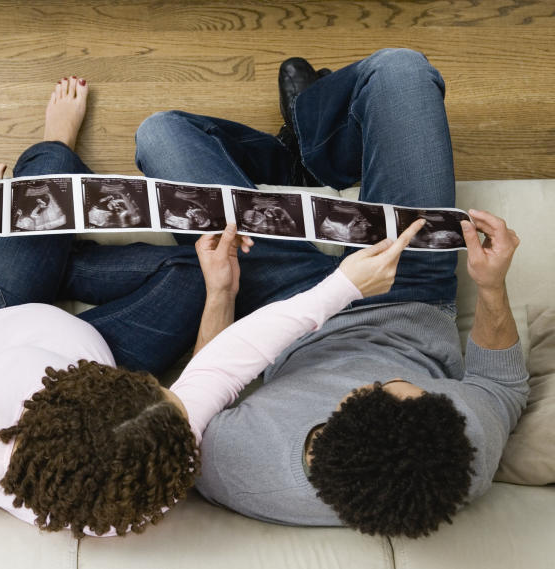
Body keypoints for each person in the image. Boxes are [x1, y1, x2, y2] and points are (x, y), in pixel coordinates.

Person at [0, 75, 423, 538]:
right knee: (195, 268)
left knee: (48, 178)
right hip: (89, 339)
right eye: (165, 394)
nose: (176, 393)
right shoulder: (153, 460)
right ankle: (41, 245)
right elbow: (233, 359)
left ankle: (38, 211)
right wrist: (330, 285)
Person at [133, 49, 528, 538]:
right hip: (411, 290)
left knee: (162, 134)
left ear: (339, 410)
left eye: (382, 384)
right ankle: (319, 146)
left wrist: (221, 294)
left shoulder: (241, 470)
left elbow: (203, 390)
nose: (390, 375)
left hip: (289, 309)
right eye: (414, 386)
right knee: (401, 70)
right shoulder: (460, 448)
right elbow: (503, 386)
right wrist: (491, 286)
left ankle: (292, 162)